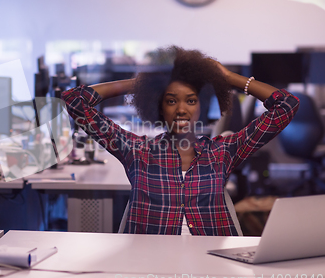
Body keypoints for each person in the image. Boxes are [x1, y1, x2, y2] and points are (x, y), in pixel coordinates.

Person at [62, 46, 299, 236]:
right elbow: (75, 102)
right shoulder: (137, 151)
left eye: (191, 101)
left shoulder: (222, 151)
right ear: (159, 107)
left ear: (202, 106)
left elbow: (286, 106)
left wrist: (227, 77)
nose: (182, 110)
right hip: (150, 267)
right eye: (171, 101)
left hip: (212, 267)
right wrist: (142, 84)